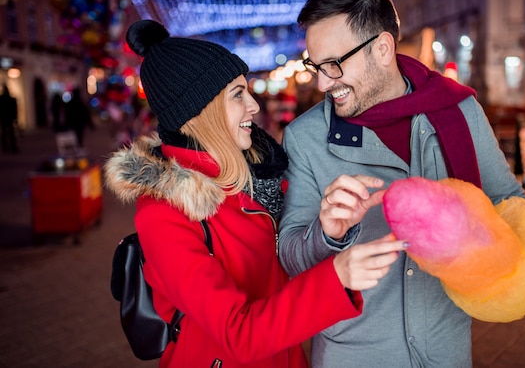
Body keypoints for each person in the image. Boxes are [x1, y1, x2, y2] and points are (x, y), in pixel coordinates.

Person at [278, 0, 525, 367]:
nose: (322, 83)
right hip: (353, 355)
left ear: (382, 48)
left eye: (334, 65)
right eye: (316, 66)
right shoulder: (305, 137)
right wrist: (326, 234)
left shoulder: (458, 112)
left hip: (445, 351)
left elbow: (509, 202)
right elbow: (290, 257)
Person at [103, 19, 407, 368]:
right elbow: (238, 334)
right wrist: (336, 277)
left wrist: (327, 228)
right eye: (237, 95)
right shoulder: (164, 213)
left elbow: (281, 275)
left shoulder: (251, 180)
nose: (254, 106)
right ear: (200, 113)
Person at [0, 84, 18, 153]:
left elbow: (14, 109)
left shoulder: (3, 99)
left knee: (7, 133)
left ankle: (8, 147)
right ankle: (10, 147)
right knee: (9, 133)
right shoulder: (10, 99)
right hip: (8, 117)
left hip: (6, 118)